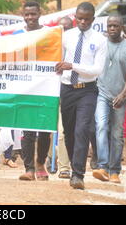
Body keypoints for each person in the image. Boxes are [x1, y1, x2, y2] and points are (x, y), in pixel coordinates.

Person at [55, 2, 107, 190]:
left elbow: (97, 70)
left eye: (86, 19)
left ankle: (78, 174)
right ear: (75, 17)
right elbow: (57, 60)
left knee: (82, 129)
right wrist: (59, 67)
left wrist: (73, 66)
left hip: (87, 90)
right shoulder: (66, 36)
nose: (82, 22)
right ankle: (73, 166)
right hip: (67, 89)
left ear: (93, 19)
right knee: (69, 133)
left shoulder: (100, 40)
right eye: (80, 18)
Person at [92, 15, 126, 184]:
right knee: (101, 126)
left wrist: (123, 94)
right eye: (109, 25)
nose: (112, 28)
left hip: (120, 96)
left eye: (115, 26)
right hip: (102, 93)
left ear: (121, 27)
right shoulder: (101, 44)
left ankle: (115, 170)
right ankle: (102, 166)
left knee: (117, 134)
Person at [12, 1, 51, 181]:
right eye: (27, 15)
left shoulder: (49, 34)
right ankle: (29, 168)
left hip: (44, 88)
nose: (30, 18)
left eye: (33, 14)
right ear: (23, 15)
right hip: (24, 88)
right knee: (27, 131)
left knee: (43, 130)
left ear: (39, 13)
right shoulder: (16, 35)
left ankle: (41, 162)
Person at [54, 16, 73, 179]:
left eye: (67, 29)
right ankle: (49, 157)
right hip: (48, 94)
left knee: (63, 133)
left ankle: (64, 167)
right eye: (61, 29)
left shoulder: (75, 48)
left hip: (68, 94)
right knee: (46, 132)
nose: (64, 32)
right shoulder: (49, 47)